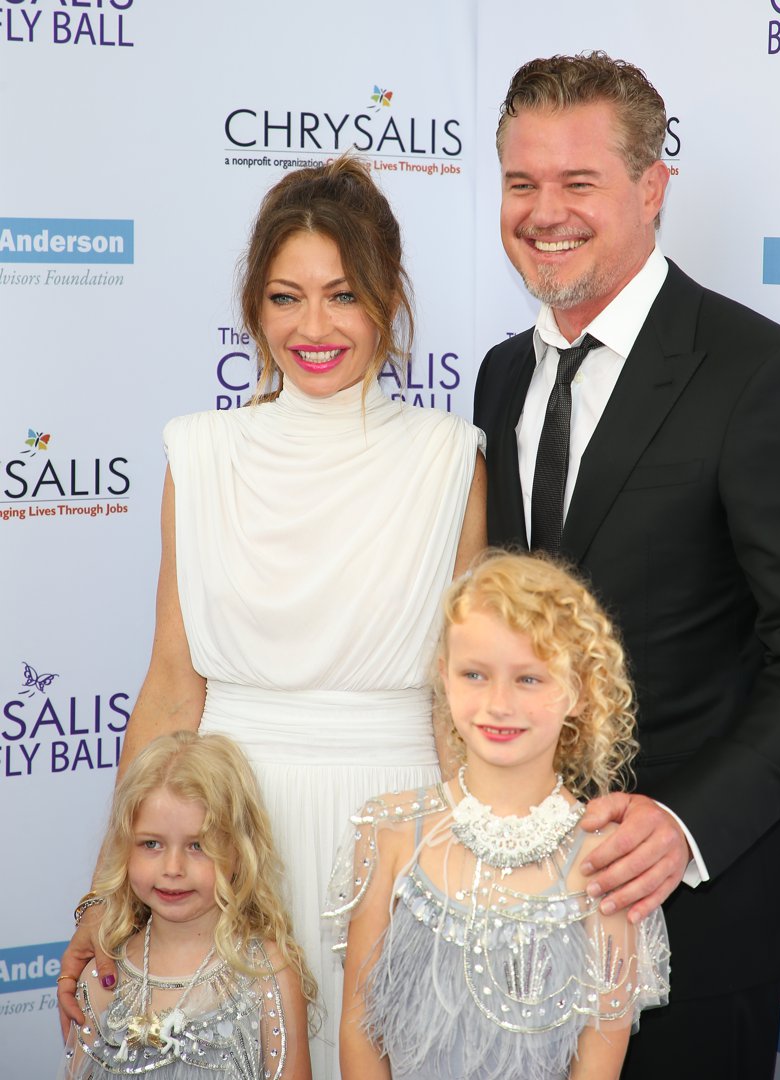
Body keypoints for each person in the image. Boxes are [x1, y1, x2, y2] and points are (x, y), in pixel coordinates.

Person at [58, 156, 487, 1080]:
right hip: (226, 832)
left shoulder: (451, 460)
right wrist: (104, 892)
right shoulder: (200, 453)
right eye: (286, 297)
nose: (314, 327)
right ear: (254, 307)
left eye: (342, 295)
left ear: (386, 297)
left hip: (397, 836)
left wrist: (479, 877)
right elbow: (174, 682)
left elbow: (460, 705)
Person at [473, 51, 780, 1079]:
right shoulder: (501, 376)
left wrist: (683, 824)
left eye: (577, 182)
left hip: (699, 914)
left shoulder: (767, 379)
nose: (545, 212)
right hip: (521, 907)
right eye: (520, 183)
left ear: (649, 186)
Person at [326, 551, 670, 1080]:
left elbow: (601, 1051)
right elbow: (358, 1025)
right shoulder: (390, 831)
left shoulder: (605, 858)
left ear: (578, 689)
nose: (498, 703)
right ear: (444, 676)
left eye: (529, 679)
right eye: (475, 674)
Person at [61, 730, 313, 1079]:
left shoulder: (267, 976)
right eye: (151, 844)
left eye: (198, 846)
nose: (172, 869)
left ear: (240, 852)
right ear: (123, 848)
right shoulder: (102, 978)